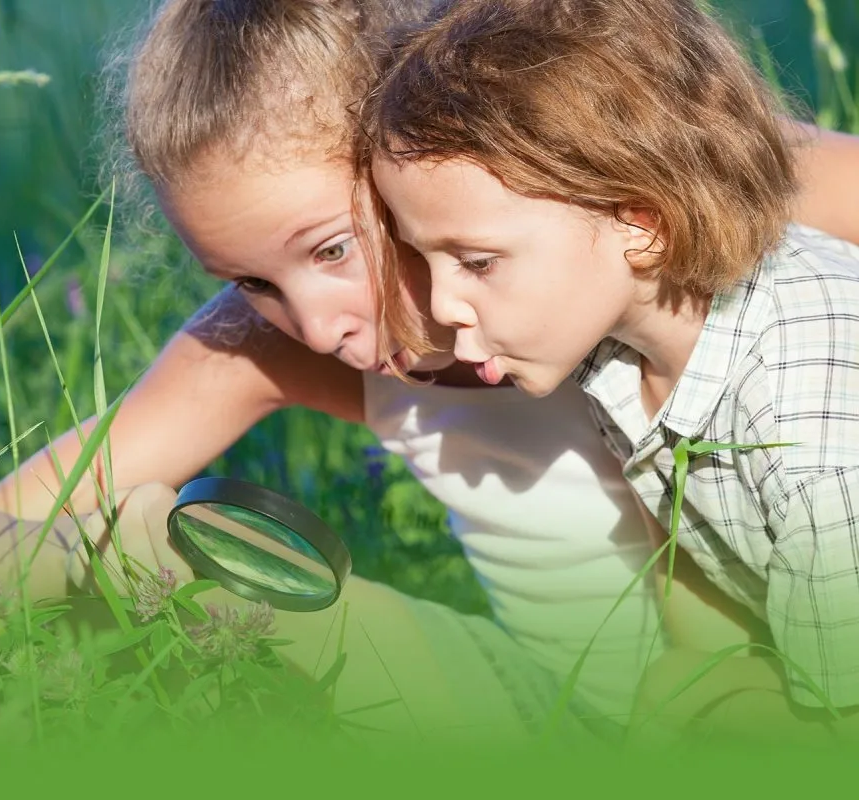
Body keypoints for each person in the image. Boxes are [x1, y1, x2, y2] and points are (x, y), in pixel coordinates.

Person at [0, 0, 859, 748]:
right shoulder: (268, 344)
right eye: (248, 279)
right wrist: (101, 557)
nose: (316, 327)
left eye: (329, 249)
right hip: (546, 716)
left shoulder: (632, 186)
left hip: (786, 692)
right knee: (192, 576)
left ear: (420, 140)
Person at [362, 0, 859, 744]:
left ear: (642, 225)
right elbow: (694, 545)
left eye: (476, 261)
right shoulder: (622, 341)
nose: (441, 306)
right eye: (422, 257)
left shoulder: (809, 431)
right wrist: (697, 674)